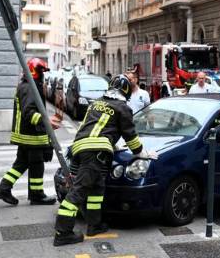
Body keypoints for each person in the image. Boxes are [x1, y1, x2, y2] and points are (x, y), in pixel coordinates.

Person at [53, 75, 156, 246]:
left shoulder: (97, 102)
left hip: (80, 147)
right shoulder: (122, 107)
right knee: (78, 191)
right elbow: (130, 136)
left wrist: (112, 146)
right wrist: (141, 153)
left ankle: (94, 224)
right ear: (126, 91)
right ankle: (63, 232)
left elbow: (97, 127)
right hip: (95, 152)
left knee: (96, 188)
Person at [0, 58, 59, 207]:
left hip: (26, 135)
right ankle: (37, 195)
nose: (43, 74)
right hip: (31, 136)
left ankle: (3, 188)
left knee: (21, 164)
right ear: (35, 71)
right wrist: (46, 122)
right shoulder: (30, 87)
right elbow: (29, 112)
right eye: (42, 71)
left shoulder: (27, 85)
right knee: (36, 165)